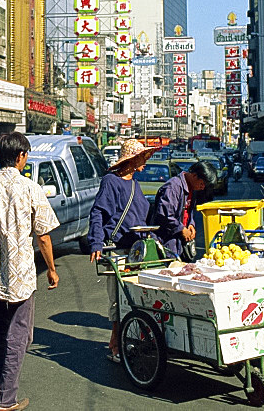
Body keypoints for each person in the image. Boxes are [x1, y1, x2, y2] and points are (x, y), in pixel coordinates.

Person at [0, 132, 59, 411]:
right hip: (20, 276)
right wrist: (52, 269)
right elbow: (43, 235)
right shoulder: (30, 188)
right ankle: (6, 399)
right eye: (26, 156)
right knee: (19, 334)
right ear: (20, 157)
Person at [87, 139, 157, 363]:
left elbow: (143, 216)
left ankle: (121, 340)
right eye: (142, 159)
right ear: (132, 160)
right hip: (116, 249)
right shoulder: (111, 182)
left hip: (136, 249)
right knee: (118, 299)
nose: (145, 164)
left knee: (136, 298)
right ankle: (116, 345)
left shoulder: (136, 185)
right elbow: (98, 212)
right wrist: (96, 242)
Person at [151, 160, 218, 262]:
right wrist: (181, 229)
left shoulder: (192, 188)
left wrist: (191, 224)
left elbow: (189, 211)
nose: (202, 187)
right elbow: (165, 216)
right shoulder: (173, 187)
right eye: (202, 183)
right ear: (194, 176)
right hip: (167, 241)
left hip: (179, 242)